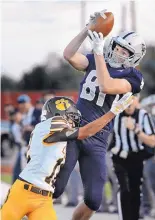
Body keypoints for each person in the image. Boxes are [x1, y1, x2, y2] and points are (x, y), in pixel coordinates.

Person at [53, 10, 146, 220]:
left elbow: (106, 85)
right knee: (57, 187)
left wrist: (97, 53)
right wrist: (88, 29)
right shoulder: (96, 59)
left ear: (134, 57)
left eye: (126, 51)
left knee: (94, 200)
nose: (119, 52)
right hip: (75, 128)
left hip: (98, 137)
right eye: (118, 47)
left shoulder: (133, 76)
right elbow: (69, 55)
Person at [1, 94, 132, 220]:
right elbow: (86, 132)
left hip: (44, 198)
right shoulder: (49, 126)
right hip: (24, 192)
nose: (73, 121)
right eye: (70, 117)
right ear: (57, 115)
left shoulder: (53, 134)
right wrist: (113, 112)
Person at [109, 95, 155, 220]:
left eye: (132, 98)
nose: (129, 103)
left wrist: (135, 129)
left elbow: (152, 141)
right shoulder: (115, 114)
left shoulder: (143, 115)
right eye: (126, 99)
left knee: (135, 190)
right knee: (124, 189)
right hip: (118, 156)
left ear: (137, 100)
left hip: (136, 157)